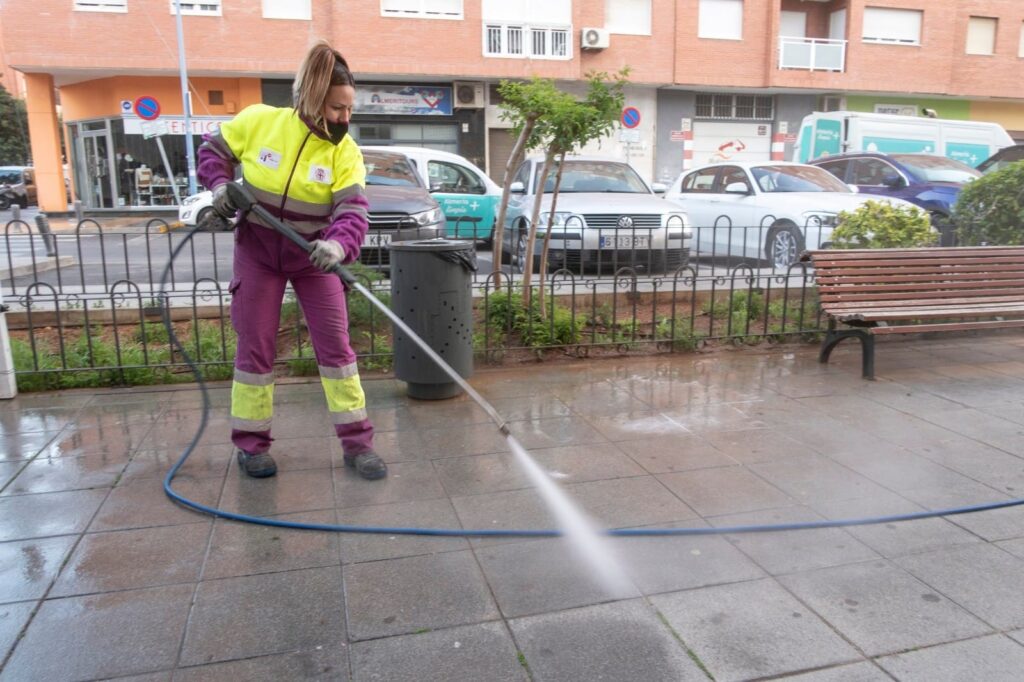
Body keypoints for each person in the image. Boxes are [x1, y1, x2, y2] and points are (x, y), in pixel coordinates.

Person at [196, 41, 386, 481]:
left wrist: (337, 246)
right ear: (312, 101)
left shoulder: (344, 152)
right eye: (337, 108)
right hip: (258, 254)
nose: (345, 118)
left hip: (313, 259)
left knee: (337, 351)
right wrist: (220, 187)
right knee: (255, 348)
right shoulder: (260, 122)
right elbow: (212, 152)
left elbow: (353, 211)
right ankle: (251, 446)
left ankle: (358, 444)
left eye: (349, 109)